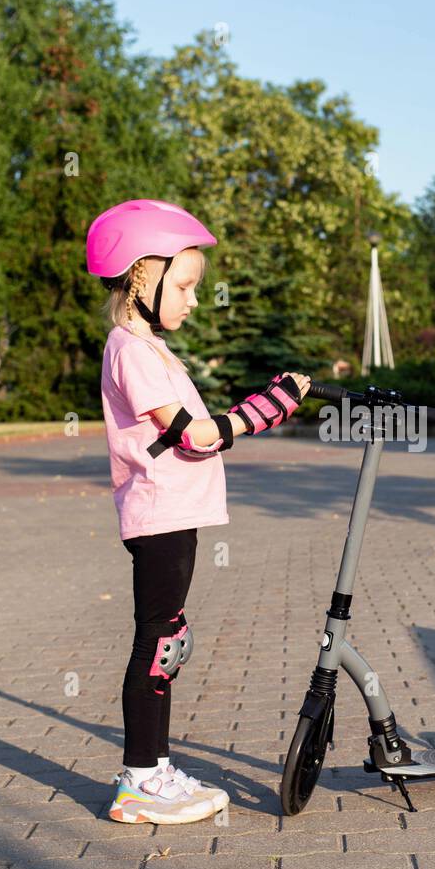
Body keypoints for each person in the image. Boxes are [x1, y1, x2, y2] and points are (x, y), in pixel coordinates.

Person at [87, 199, 312, 824]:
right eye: (183, 286)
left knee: (167, 640)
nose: (192, 300)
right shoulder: (130, 350)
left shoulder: (149, 348)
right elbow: (194, 435)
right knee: (155, 645)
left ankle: (151, 772)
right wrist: (270, 406)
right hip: (158, 517)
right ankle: (141, 781)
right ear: (140, 278)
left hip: (172, 516)